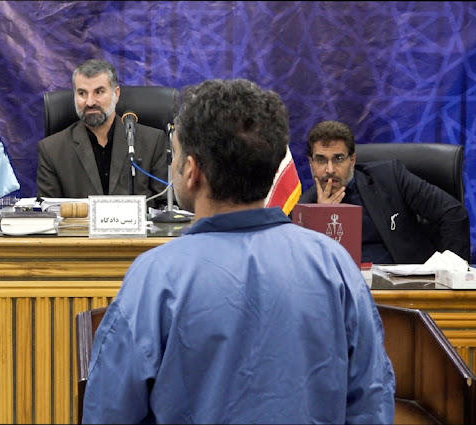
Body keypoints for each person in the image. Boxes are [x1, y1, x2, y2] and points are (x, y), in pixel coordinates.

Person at [82, 79, 395, 424]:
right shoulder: (335, 264)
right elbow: (371, 402)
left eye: (176, 153)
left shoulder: (155, 276)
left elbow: (110, 411)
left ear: (192, 170)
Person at [298, 120, 470, 264]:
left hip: (404, 292)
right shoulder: (303, 209)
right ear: (310, 163)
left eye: (339, 159)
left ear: (352, 160)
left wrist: (449, 278)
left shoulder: (390, 178)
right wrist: (320, 220)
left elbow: (453, 213)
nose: (330, 169)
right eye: (321, 160)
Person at [36, 59, 168, 206]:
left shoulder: (152, 142)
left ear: (116, 94)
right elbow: (49, 214)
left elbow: (166, 207)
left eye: (99, 92)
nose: (90, 102)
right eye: (82, 93)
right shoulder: (52, 150)